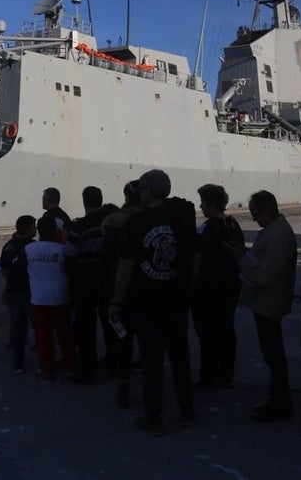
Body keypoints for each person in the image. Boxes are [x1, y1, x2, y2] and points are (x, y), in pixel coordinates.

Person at [111, 169, 197, 435]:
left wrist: (116, 299)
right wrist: (189, 289)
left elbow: (126, 265)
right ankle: (186, 411)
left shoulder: (137, 222)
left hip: (146, 302)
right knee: (180, 358)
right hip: (177, 299)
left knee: (151, 362)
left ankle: (153, 417)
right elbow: (194, 258)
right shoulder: (182, 218)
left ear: (146, 191)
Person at [225, 190, 297, 422]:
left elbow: (263, 277)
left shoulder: (277, 236)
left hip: (269, 302)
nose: (254, 219)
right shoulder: (275, 231)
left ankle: (280, 403)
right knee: (272, 355)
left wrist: (240, 259)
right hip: (267, 301)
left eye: (256, 213)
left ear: (267, 209)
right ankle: (278, 400)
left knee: (273, 356)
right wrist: (244, 254)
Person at [191, 183, 245, 389]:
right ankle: (225, 371)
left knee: (207, 334)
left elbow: (196, 259)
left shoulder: (206, 229)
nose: (201, 206)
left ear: (211, 203)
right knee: (226, 329)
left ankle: (208, 375)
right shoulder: (232, 224)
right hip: (230, 285)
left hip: (208, 288)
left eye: (203, 202)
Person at [64, 186, 113, 383]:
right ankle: (115, 362)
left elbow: (69, 255)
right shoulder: (111, 223)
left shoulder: (79, 227)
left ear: (84, 201)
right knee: (110, 324)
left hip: (85, 282)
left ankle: (87, 369)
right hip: (108, 280)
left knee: (86, 327)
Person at [102, 180, 142, 408]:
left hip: (118, 286)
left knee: (122, 338)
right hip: (146, 288)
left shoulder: (112, 221)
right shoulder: (148, 221)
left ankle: (121, 386)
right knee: (149, 339)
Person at [26, 217, 76, 381]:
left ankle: (47, 368)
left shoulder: (29, 249)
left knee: (43, 336)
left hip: (39, 299)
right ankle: (70, 366)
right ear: (56, 231)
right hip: (60, 297)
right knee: (65, 335)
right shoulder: (62, 249)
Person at [0, 215, 37, 373]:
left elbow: (4, 269)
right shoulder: (34, 246)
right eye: (33, 226)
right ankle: (44, 361)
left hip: (13, 290)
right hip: (30, 291)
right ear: (27, 228)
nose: (35, 229)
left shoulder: (9, 246)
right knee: (37, 326)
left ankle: (18, 363)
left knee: (17, 327)